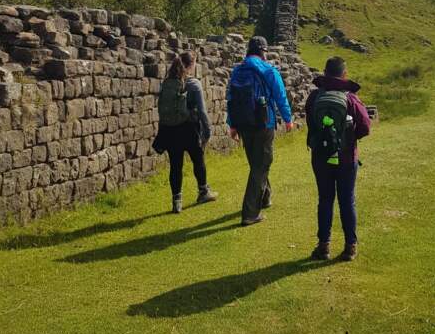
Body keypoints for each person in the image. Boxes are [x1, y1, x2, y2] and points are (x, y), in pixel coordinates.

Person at [306, 56, 371, 262]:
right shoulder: (350, 98)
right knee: (347, 200)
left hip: (321, 157)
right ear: (344, 74)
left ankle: (323, 246)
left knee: (325, 200)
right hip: (346, 158)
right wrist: (348, 139)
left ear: (325, 73)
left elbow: (311, 123)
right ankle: (350, 247)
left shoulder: (315, 97)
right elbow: (365, 126)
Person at [227, 36, 293, 226]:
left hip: (243, 124)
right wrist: (288, 119)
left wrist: (232, 124)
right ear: (263, 51)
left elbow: (231, 98)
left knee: (257, 163)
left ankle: (265, 197)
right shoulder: (268, 70)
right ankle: (250, 213)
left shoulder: (237, 70)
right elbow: (280, 95)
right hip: (264, 123)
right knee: (261, 165)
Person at [153, 51, 218, 213]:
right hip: (189, 129)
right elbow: (202, 111)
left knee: (175, 166)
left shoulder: (167, 82)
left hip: (170, 130)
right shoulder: (193, 84)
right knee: (198, 160)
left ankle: (177, 201)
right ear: (191, 65)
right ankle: (203, 191)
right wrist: (207, 131)